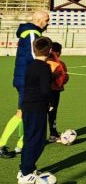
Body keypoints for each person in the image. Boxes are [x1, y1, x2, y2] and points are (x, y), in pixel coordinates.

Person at [0, 10, 49, 159]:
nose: (48, 23)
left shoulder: (30, 31)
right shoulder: (32, 33)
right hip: (26, 81)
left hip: (24, 78)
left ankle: (22, 144)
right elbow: (36, 55)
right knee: (21, 112)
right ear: (39, 20)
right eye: (47, 20)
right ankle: (1, 144)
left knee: (24, 111)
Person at [18, 36, 53, 183]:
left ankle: (26, 169)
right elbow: (45, 90)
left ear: (34, 50)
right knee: (37, 141)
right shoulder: (45, 68)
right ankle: (26, 173)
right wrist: (49, 104)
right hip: (37, 107)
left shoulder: (30, 65)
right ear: (50, 50)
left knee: (29, 138)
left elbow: (27, 87)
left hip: (27, 106)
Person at [46, 42, 69, 143]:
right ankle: (53, 134)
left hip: (41, 91)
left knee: (41, 112)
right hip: (54, 91)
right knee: (52, 112)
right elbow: (64, 79)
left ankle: (38, 136)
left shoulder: (43, 61)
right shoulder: (60, 64)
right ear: (58, 52)